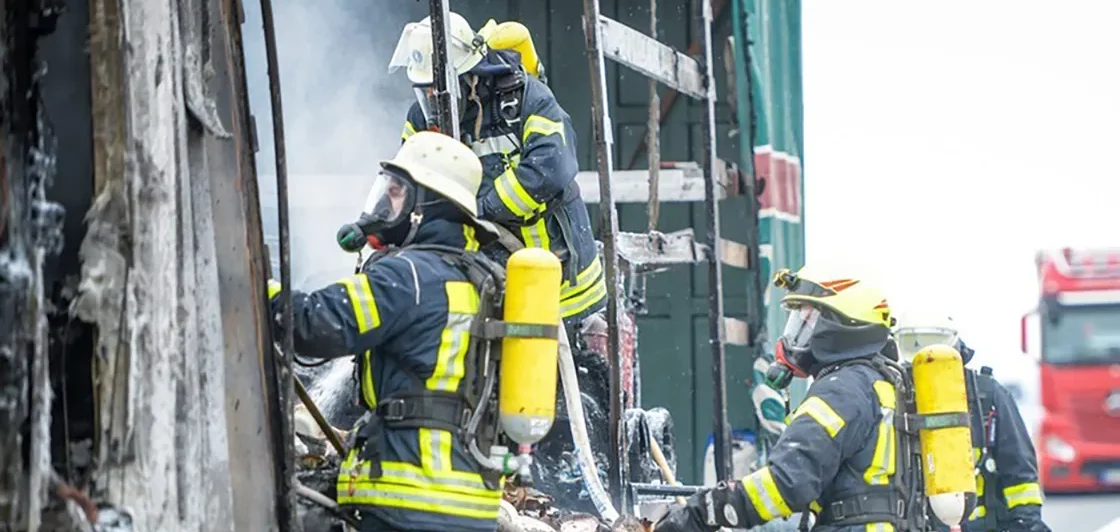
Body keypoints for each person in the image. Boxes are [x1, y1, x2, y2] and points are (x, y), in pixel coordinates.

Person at [268, 131, 508, 532]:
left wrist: (261, 288)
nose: (383, 203)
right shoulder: (483, 279)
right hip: (473, 508)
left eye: (396, 192)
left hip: (408, 500)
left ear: (425, 205)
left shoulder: (410, 275)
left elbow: (315, 324)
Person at [655, 266, 927, 532]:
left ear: (840, 326)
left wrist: (705, 511)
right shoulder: (884, 384)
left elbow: (787, 482)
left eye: (807, 321)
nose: (795, 335)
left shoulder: (842, 389)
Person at [384, 11, 606, 331]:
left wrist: (480, 210)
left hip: (560, 281)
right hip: (486, 280)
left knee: (549, 374)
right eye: (424, 89)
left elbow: (550, 168)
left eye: (437, 88)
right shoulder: (422, 118)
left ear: (469, 75)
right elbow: (406, 181)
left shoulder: (528, 100)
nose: (431, 97)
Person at [893, 312, 1051, 532]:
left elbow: (1019, 471)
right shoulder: (895, 396)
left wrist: (1026, 523)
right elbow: (1020, 469)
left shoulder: (986, 395)